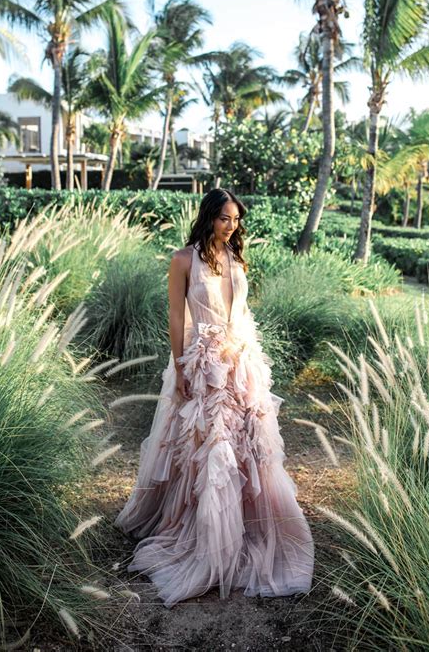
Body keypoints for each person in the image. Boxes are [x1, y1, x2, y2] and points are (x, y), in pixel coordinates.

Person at [113, 188, 314, 608]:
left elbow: (240, 311)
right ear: (209, 217)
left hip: (239, 361)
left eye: (236, 219)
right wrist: (182, 366)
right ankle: (205, 531)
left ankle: (246, 522)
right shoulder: (183, 260)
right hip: (202, 362)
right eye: (225, 218)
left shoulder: (236, 258)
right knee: (208, 447)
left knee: (247, 446)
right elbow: (175, 315)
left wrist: (247, 356)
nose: (231, 225)